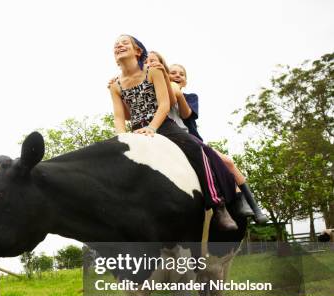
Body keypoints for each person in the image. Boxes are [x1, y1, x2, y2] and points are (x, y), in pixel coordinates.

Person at [109, 35, 238, 231]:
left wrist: (152, 127)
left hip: (163, 125)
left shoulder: (153, 71)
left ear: (138, 51)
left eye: (124, 43)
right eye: (116, 45)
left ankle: (218, 204)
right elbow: (119, 117)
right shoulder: (115, 84)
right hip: (136, 130)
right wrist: (122, 138)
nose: (119, 45)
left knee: (196, 149)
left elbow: (164, 104)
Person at [164, 61, 268, 224]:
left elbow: (186, 115)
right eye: (173, 72)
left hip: (190, 138)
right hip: (167, 135)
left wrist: (177, 93)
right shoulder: (158, 94)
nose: (177, 75)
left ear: (185, 81)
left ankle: (251, 204)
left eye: (181, 74)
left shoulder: (191, 98)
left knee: (228, 162)